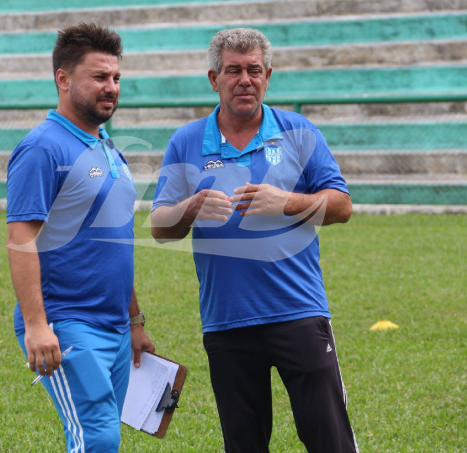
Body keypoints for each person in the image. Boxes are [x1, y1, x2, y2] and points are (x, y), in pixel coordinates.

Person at [150, 28, 358, 452]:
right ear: (213, 78)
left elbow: (342, 206)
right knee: (244, 445)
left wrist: (287, 201)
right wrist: (190, 208)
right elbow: (159, 225)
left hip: (299, 312)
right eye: (233, 71)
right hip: (228, 321)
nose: (244, 79)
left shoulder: (298, 131)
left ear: (268, 75)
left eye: (254, 70)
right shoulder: (186, 141)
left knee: (329, 439)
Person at [6, 23, 154, 453]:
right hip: (66, 322)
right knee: (98, 436)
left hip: (114, 325)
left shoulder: (108, 146)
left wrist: (134, 320)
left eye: (116, 78)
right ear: (63, 79)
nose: (111, 87)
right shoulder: (42, 148)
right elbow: (20, 239)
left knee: (100, 435)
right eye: (99, 77)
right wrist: (37, 325)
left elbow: (117, 241)